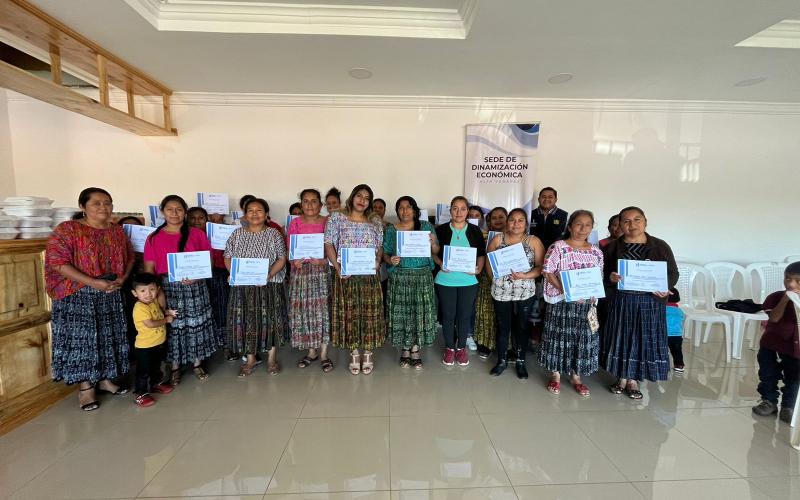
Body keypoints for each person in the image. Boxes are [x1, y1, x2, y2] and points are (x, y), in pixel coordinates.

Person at [45, 187, 133, 411]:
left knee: (107, 337)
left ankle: (105, 380)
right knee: (84, 340)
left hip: (110, 293)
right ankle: (86, 388)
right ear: (83, 207)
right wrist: (92, 282)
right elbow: (57, 262)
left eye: (108, 203)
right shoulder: (68, 230)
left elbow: (130, 256)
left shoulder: (117, 231)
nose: (103, 207)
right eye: (97, 203)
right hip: (77, 294)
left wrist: (122, 278)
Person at [603, 206, 678, 399]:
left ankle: (634, 379)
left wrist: (665, 285)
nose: (632, 225)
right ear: (620, 225)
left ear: (645, 221)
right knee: (621, 339)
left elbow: (672, 273)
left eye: (637, 220)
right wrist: (610, 278)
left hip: (650, 303)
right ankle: (621, 377)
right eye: (626, 221)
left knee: (642, 340)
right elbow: (602, 275)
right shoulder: (612, 247)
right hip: (622, 301)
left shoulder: (660, 246)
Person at [143, 195, 216, 384]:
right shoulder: (153, 238)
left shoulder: (197, 234)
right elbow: (149, 268)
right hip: (166, 288)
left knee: (196, 324)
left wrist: (196, 277)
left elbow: (207, 261)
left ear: (185, 212)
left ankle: (197, 363)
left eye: (179, 209)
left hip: (195, 286)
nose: (174, 213)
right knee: (173, 325)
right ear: (162, 212)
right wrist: (153, 292)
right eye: (170, 209)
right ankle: (174, 366)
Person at [539, 210, 604, 395]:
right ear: (570, 226)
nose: (583, 228)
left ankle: (576, 376)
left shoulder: (596, 252)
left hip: (585, 303)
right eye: (578, 224)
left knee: (581, 338)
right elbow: (547, 271)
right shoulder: (558, 247)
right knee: (559, 337)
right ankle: (556, 375)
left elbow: (597, 277)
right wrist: (564, 289)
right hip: (561, 301)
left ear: (592, 228)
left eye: (588, 225)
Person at [325, 184, 385, 375]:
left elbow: (380, 246)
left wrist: (377, 260)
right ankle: (354, 352)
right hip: (346, 275)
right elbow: (328, 244)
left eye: (367, 198)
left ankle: (367, 352)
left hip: (369, 276)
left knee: (369, 313)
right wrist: (338, 267)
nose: (362, 200)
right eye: (359, 196)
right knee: (349, 313)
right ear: (352, 197)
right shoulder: (337, 217)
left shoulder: (374, 220)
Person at [225, 197, 288, 376]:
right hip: (243, 287)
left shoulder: (274, 234)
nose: (254, 213)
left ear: (266, 214)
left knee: (271, 321)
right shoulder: (237, 234)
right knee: (248, 321)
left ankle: (271, 359)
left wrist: (267, 275)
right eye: (250, 210)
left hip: (269, 285)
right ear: (245, 214)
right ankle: (251, 358)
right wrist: (234, 273)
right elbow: (227, 256)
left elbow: (282, 259)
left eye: (259, 210)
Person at [487, 208, 544, 378]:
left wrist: (525, 276)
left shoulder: (533, 241)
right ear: (507, 222)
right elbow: (489, 264)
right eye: (512, 220)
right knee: (503, 326)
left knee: (522, 326)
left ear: (526, 223)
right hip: (501, 291)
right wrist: (495, 281)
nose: (516, 223)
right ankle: (501, 360)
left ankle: (520, 361)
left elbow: (541, 267)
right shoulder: (498, 239)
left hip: (524, 292)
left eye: (520, 220)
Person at [383, 196, 439, 370]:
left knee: (418, 313)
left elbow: (436, 249)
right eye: (400, 207)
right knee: (403, 315)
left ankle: (415, 349)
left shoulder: (426, 227)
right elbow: (385, 253)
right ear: (397, 211)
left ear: (414, 210)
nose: (404, 211)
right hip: (399, 278)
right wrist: (391, 260)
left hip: (422, 277)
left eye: (408, 207)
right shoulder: (392, 230)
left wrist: (433, 242)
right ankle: (405, 350)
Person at [433, 196, 486, 366]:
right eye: (455, 208)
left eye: (463, 209)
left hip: (469, 281)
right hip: (445, 280)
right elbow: (433, 252)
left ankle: (461, 348)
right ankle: (449, 348)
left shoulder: (474, 231)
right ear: (450, 210)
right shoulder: (440, 230)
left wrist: (478, 268)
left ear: (467, 211)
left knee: (464, 316)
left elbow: (481, 254)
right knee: (448, 316)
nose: (459, 212)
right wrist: (440, 263)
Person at [287, 188, 333, 373]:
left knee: (322, 312)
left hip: (321, 272)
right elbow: (290, 249)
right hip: (301, 274)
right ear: (301, 204)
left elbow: (334, 248)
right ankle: (311, 351)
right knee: (304, 312)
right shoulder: (295, 223)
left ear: (320, 205)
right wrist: (294, 261)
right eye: (305, 201)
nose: (310, 205)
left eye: (314, 201)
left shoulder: (328, 222)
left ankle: (323, 354)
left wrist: (323, 261)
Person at [752, 261, 800, 423]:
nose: (791, 284)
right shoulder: (775, 297)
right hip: (771, 346)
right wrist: (786, 299)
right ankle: (769, 401)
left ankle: (789, 406)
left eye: (798, 281)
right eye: (787, 279)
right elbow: (774, 318)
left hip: (796, 350)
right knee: (768, 375)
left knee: (794, 378)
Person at [187, 206, 231, 357]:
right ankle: (207, 343)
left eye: (201, 217)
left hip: (217, 274)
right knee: (203, 311)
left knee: (221, 307)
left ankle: (225, 343)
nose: (196, 220)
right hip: (194, 279)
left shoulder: (217, 233)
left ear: (207, 219)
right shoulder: (185, 235)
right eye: (192, 217)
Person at [130, 272, 176, 407]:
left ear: (157, 289)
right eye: (142, 291)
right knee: (143, 371)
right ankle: (140, 394)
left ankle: (156, 384)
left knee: (156, 366)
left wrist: (168, 312)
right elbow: (150, 323)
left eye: (151, 289)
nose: (148, 294)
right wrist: (166, 320)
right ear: (135, 293)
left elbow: (159, 313)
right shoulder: (140, 307)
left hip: (158, 343)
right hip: (145, 347)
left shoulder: (153, 302)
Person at [474, 206, 508, 359]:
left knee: (506, 315)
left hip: (508, 281)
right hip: (487, 279)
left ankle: (508, 346)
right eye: (494, 218)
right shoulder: (482, 236)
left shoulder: (515, 237)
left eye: (501, 217)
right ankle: (486, 343)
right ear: (489, 221)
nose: (498, 220)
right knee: (486, 311)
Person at [666, 287, 686, 373]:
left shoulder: (662, 309)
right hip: (677, 335)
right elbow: (683, 318)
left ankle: (662, 365)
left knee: (662, 350)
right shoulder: (680, 311)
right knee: (677, 351)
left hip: (664, 335)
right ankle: (679, 365)